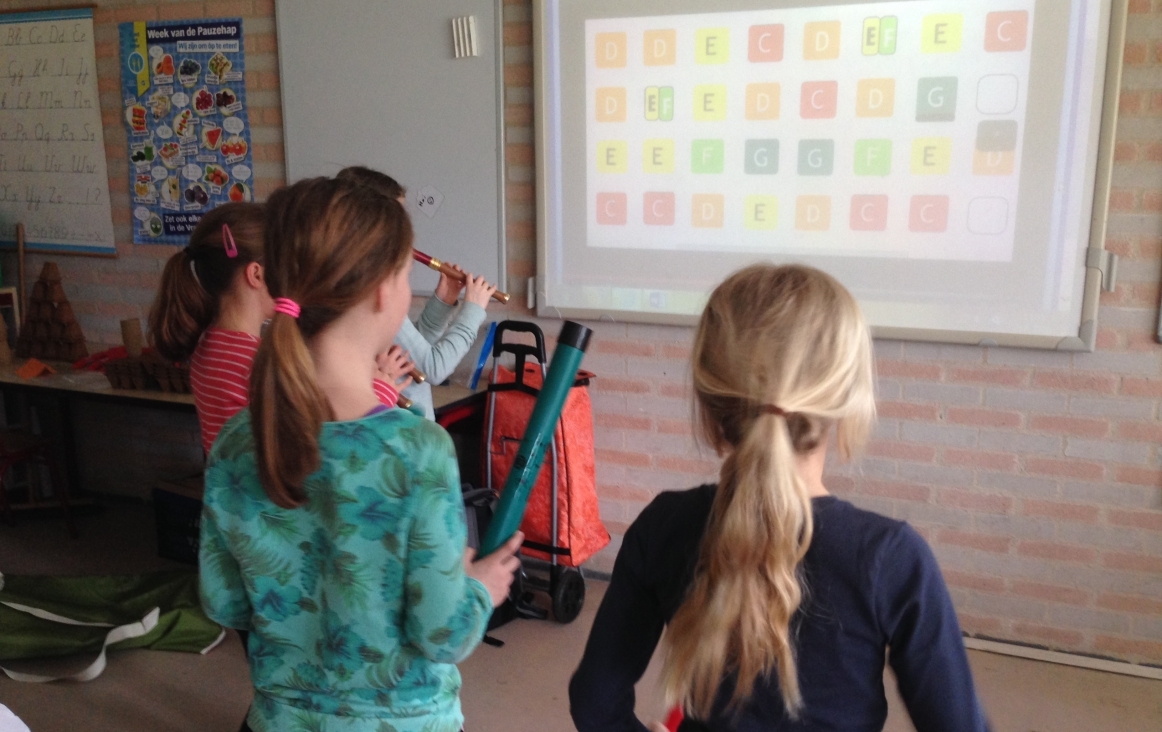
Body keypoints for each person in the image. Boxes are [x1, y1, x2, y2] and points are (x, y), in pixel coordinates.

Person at [569, 264, 990, 732]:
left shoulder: (664, 524)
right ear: (846, 403)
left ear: (711, 409)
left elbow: (594, 700)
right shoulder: (891, 557)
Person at [198, 176, 522, 732]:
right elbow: (442, 634)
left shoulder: (234, 442)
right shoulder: (417, 450)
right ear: (382, 290)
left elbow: (224, 602)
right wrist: (477, 588)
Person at [148, 202, 408, 454]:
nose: (292, 279)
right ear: (257, 275)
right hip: (269, 494)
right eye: (286, 269)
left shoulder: (206, 345)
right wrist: (381, 392)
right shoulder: (259, 362)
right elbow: (324, 440)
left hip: (231, 488)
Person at [336, 166, 497, 419]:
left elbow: (412, 355)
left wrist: (443, 303)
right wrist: (473, 312)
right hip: (402, 434)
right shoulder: (369, 296)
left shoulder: (371, 290)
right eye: (398, 220)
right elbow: (434, 369)